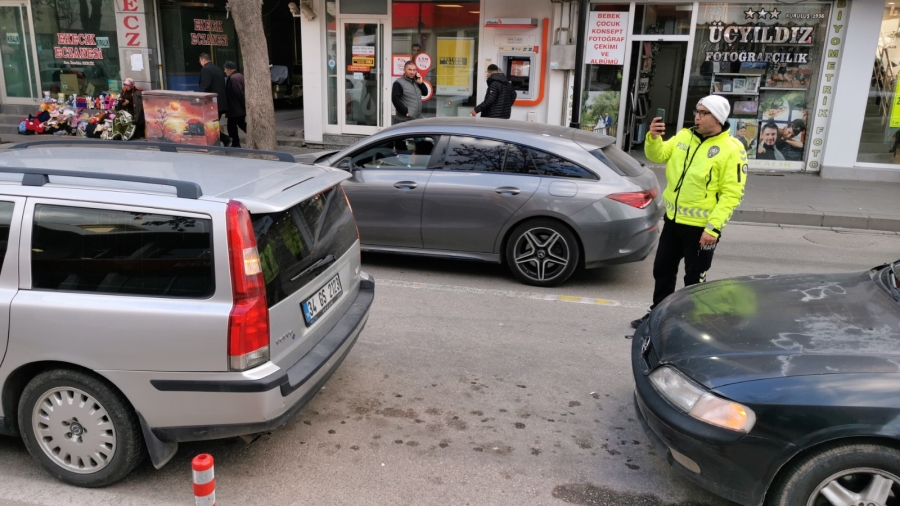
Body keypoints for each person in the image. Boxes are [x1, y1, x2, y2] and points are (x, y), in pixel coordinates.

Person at [630, 95, 748, 329]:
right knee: (662, 270)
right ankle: (659, 316)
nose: (697, 116)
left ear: (718, 118)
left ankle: (692, 321)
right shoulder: (685, 136)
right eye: (697, 111)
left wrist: (713, 228)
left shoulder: (732, 149)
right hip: (674, 221)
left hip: (702, 228)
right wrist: (653, 138)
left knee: (695, 278)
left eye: (704, 113)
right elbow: (658, 155)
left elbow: (731, 194)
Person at [198, 53, 230, 146]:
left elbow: (205, 86)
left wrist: (200, 98)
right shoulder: (218, 69)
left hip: (211, 103)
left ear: (203, 60)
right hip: (220, 102)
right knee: (213, 125)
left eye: (200, 61)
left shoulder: (206, 69)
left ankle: (225, 139)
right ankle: (224, 139)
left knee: (210, 125)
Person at [223, 61, 247, 148]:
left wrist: (244, 105)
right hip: (238, 108)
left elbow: (238, 93)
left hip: (235, 108)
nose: (224, 71)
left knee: (231, 126)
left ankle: (236, 143)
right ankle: (236, 143)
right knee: (241, 124)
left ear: (229, 69)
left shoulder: (233, 78)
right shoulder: (239, 76)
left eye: (225, 69)